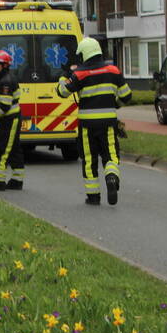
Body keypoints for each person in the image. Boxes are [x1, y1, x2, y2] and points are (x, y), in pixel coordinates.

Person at [56, 37, 132, 206]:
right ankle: (111, 178)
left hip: (87, 126)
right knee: (111, 155)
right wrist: (114, 105)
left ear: (84, 54)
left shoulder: (79, 74)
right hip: (108, 123)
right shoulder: (113, 71)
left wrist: (65, 75)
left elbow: (62, 92)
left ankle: (93, 196)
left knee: (89, 159)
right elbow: (127, 96)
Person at [0, 49, 24, 191]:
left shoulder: (5, 82)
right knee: (14, 149)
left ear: (5, 65)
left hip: (9, 120)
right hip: (12, 118)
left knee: (1, 149)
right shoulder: (6, 78)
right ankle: (17, 180)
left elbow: (4, 105)